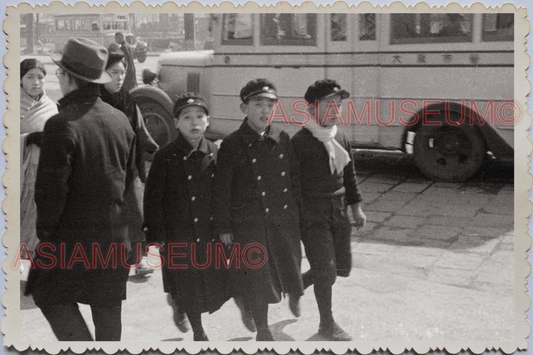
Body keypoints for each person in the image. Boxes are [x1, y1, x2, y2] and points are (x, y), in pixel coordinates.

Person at [24, 37, 136, 341]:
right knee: (108, 311)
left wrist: (44, 237)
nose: (58, 78)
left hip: (73, 241)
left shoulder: (61, 124)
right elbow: (129, 181)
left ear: (71, 78)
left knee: (47, 294)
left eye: (60, 73)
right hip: (116, 240)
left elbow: (51, 193)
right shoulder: (121, 120)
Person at [213, 78, 304, 341]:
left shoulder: (282, 138)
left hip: (281, 219)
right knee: (258, 277)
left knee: (288, 268)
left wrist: (297, 214)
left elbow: (293, 179)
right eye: (257, 104)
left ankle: (292, 295)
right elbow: (222, 190)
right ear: (244, 109)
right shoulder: (232, 144)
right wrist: (224, 226)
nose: (265, 111)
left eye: (269, 105)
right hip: (249, 222)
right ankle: (263, 330)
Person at [144, 93, 230, 341]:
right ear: (176, 123)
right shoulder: (165, 156)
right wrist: (155, 238)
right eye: (187, 117)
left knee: (209, 283)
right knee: (188, 284)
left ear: (208, 121)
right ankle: (198, 332)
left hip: (206, 233)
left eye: (199, 117)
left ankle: (178, 302)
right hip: (177, 235)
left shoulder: (214, 151)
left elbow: (221, 194)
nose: (194, 122)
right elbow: (152, 200)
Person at [291, 79, 367, 341]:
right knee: (326, 271)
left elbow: (350, 176)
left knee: (340, 268)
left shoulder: (340, 138)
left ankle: (297, 285)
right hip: (313, 215)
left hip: (339, 211)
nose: (336, 110)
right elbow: (292, 186)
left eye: (339, 105)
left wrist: (356, 209)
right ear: (312, 109)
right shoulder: (300, 142)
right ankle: (327, 324)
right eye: (329, 104)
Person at [100, 51, 158, 276]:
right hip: (104, 170)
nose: (119, 77)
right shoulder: (94, 101)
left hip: (130, 168)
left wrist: (159, 152)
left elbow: (142, 132)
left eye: (122, 72)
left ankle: (140, 260)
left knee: (136, 214)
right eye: (114, 72)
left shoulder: (128, 101)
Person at [20, 59, 58, 256]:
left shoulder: (51, 106)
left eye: (41, 77)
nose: (36, 82)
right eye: (30, 77)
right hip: (16, 179)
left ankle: (26, 278)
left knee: (34, 232)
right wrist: (28, 139)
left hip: (42, 177)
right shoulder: (9, 105)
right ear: (20, 80)